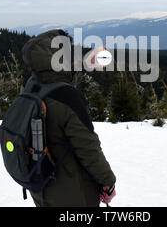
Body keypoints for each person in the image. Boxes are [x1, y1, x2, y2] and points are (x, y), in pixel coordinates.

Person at [21, 29, 116, 207]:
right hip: (72, 191)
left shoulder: (31, 86)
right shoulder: (68, 97)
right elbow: (88, 146)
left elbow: (59, 74)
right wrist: (108, 182)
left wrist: (88, 61)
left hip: (40, 185)